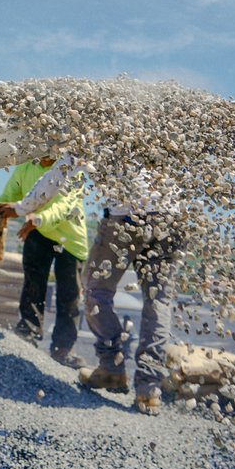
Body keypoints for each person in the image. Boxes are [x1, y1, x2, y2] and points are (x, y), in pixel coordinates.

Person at [78, 171, 185, 415]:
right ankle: (148, 389)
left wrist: (23, 207)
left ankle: (111, 367)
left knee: (96, 290)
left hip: (125, 216)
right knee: (158, 301)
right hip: (170, 218)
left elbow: (67, 163)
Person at [0, 155, 89, 368]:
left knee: (69, 295)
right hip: (37, 230)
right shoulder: (26, 167)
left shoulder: (72, 170)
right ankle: (28, 332)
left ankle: (63, 349)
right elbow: (9, 196)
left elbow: (63, 207)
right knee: (33, 283)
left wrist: (37, 218)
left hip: (69, 239)